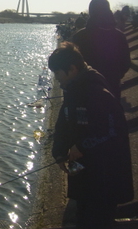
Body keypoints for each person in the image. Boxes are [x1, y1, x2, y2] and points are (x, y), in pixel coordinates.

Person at [49, 42, 133, 228]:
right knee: (83, 217)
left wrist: (81, 145)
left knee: (98, 220)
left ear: (72, 69)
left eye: (57, 73)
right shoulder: (72, 90)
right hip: (85, 176)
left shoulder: (98, 93)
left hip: (104, 177)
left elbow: (113, 132)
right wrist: (59, 152)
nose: (57, 79)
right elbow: (64, 123)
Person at [71, 0, 130, 102]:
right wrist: (115, 75)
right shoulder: (119, 36)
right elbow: (125, 63)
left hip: (86, 89)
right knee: (112, 115)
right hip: (112, 87)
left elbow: (72, 64)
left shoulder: (80, 36)